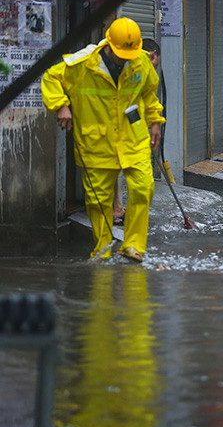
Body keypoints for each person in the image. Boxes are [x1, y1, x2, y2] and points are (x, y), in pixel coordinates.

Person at [42, 17, 165, 263]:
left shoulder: (140, 61)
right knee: (98, 200)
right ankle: (103, 248)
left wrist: (155, 122)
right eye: (121, 54)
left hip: (134, 138)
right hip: (96, 142)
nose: (126, 58)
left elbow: (149, 92)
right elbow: (50, 77)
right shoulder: (82, 64)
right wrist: (60, 106)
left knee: (143, 188)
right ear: (108, 44)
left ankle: (133, 246)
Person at [112, 37, 162, 225]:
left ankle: (122, 210)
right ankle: (116, 209)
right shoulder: (129, 67)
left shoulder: (141, 71)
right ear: (152, 55)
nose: (154, 68)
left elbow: (146, 100)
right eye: (155, 63)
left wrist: (153, 122)